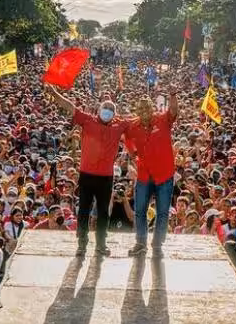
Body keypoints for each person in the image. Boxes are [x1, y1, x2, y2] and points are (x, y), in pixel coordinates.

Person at [43, 84, 128, 256]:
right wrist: (54, 93)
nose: (108, 110)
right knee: (83, 210)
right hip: (87, 175)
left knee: (103, 212)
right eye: (105, 107)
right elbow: (69, 106)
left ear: (115, 113)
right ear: (99, 109)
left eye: (111, 109)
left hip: (106, 177)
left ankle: (101, 244)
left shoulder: (119, 126)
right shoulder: (87, 120)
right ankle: (82, 243)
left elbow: (139, 121)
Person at [123, 90, 179, 257]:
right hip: (144, 175)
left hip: (164, 175)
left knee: (162, 212)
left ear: (151, 108)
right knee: (140, 210)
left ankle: (157, 244)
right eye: (141, 111)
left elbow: (174, 112)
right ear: (138, 112)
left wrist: (173, 96)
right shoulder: (133, 126)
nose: (145, 113)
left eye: (147, 109)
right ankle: (140, 243)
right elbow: (126, 137)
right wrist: (132, 153)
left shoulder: (162, 120)